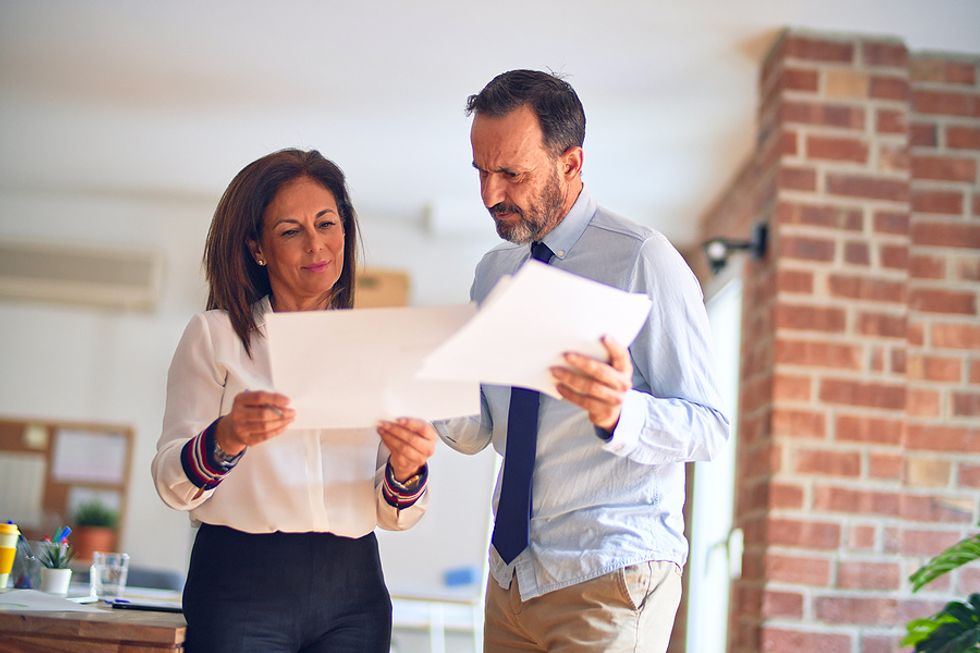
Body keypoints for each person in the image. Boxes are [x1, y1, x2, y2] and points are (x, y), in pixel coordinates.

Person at [435, 70, 731, 652]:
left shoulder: (643, 261)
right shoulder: (494, 273)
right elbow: (482, 433)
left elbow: (710, 426)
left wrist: (620, 413)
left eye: (511, 174)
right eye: (481, 172)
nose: (490, 195)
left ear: (571, 163)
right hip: (510, 580)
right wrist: (426, 389)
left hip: (610, 574)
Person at [151, 148, 437, 653]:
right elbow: (172, 485)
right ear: (257, 248)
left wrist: (407, 469)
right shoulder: (216, 336)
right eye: (290, 231)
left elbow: (395, 513)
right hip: (240, 584)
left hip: (355, 593)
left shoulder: (380, 345)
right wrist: (227, 437)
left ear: (345, 231)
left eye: (327, 223)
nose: (315, 245)